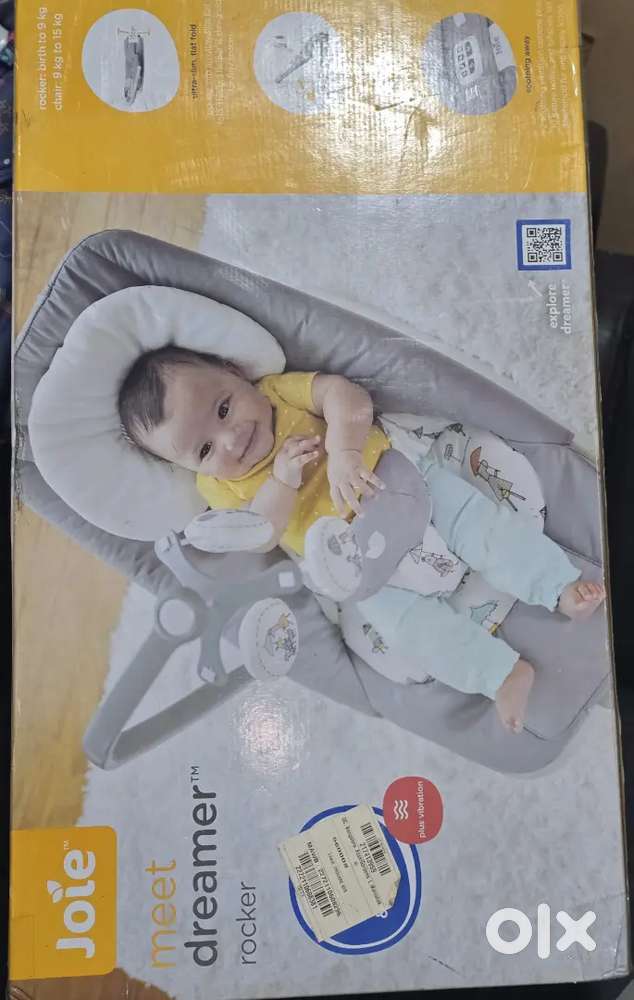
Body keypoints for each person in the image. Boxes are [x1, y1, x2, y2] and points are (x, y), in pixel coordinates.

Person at [118, 346, 605, 734]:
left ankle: (556, 584)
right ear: (188, 467)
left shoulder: (279, 393)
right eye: (205, 449)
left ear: (235, 372)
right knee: (410, 632)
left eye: (224, 408)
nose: (230, 439)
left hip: (403, 487)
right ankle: (499, 674)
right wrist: (282, 482)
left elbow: (345, 397)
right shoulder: (218, 488)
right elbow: (260, 535)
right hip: (357, 564)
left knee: (484, 527)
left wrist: (344, 451)